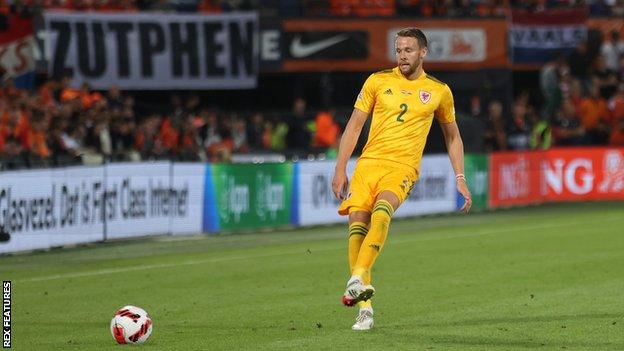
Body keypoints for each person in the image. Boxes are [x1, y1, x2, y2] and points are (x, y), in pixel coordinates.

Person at [331, 27, 472, 331]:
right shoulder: (377, 80)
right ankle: (364, 310)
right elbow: (354, 126)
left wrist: (460, 176)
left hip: (402, 167)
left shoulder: (439, 91)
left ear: (423, 52)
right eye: (398, 50)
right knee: (357, 222)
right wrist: (340, 167)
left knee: (383, 211)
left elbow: (453, 137)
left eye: (408, 50)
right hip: (368, 164)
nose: (402, 55)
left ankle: (357, 276)